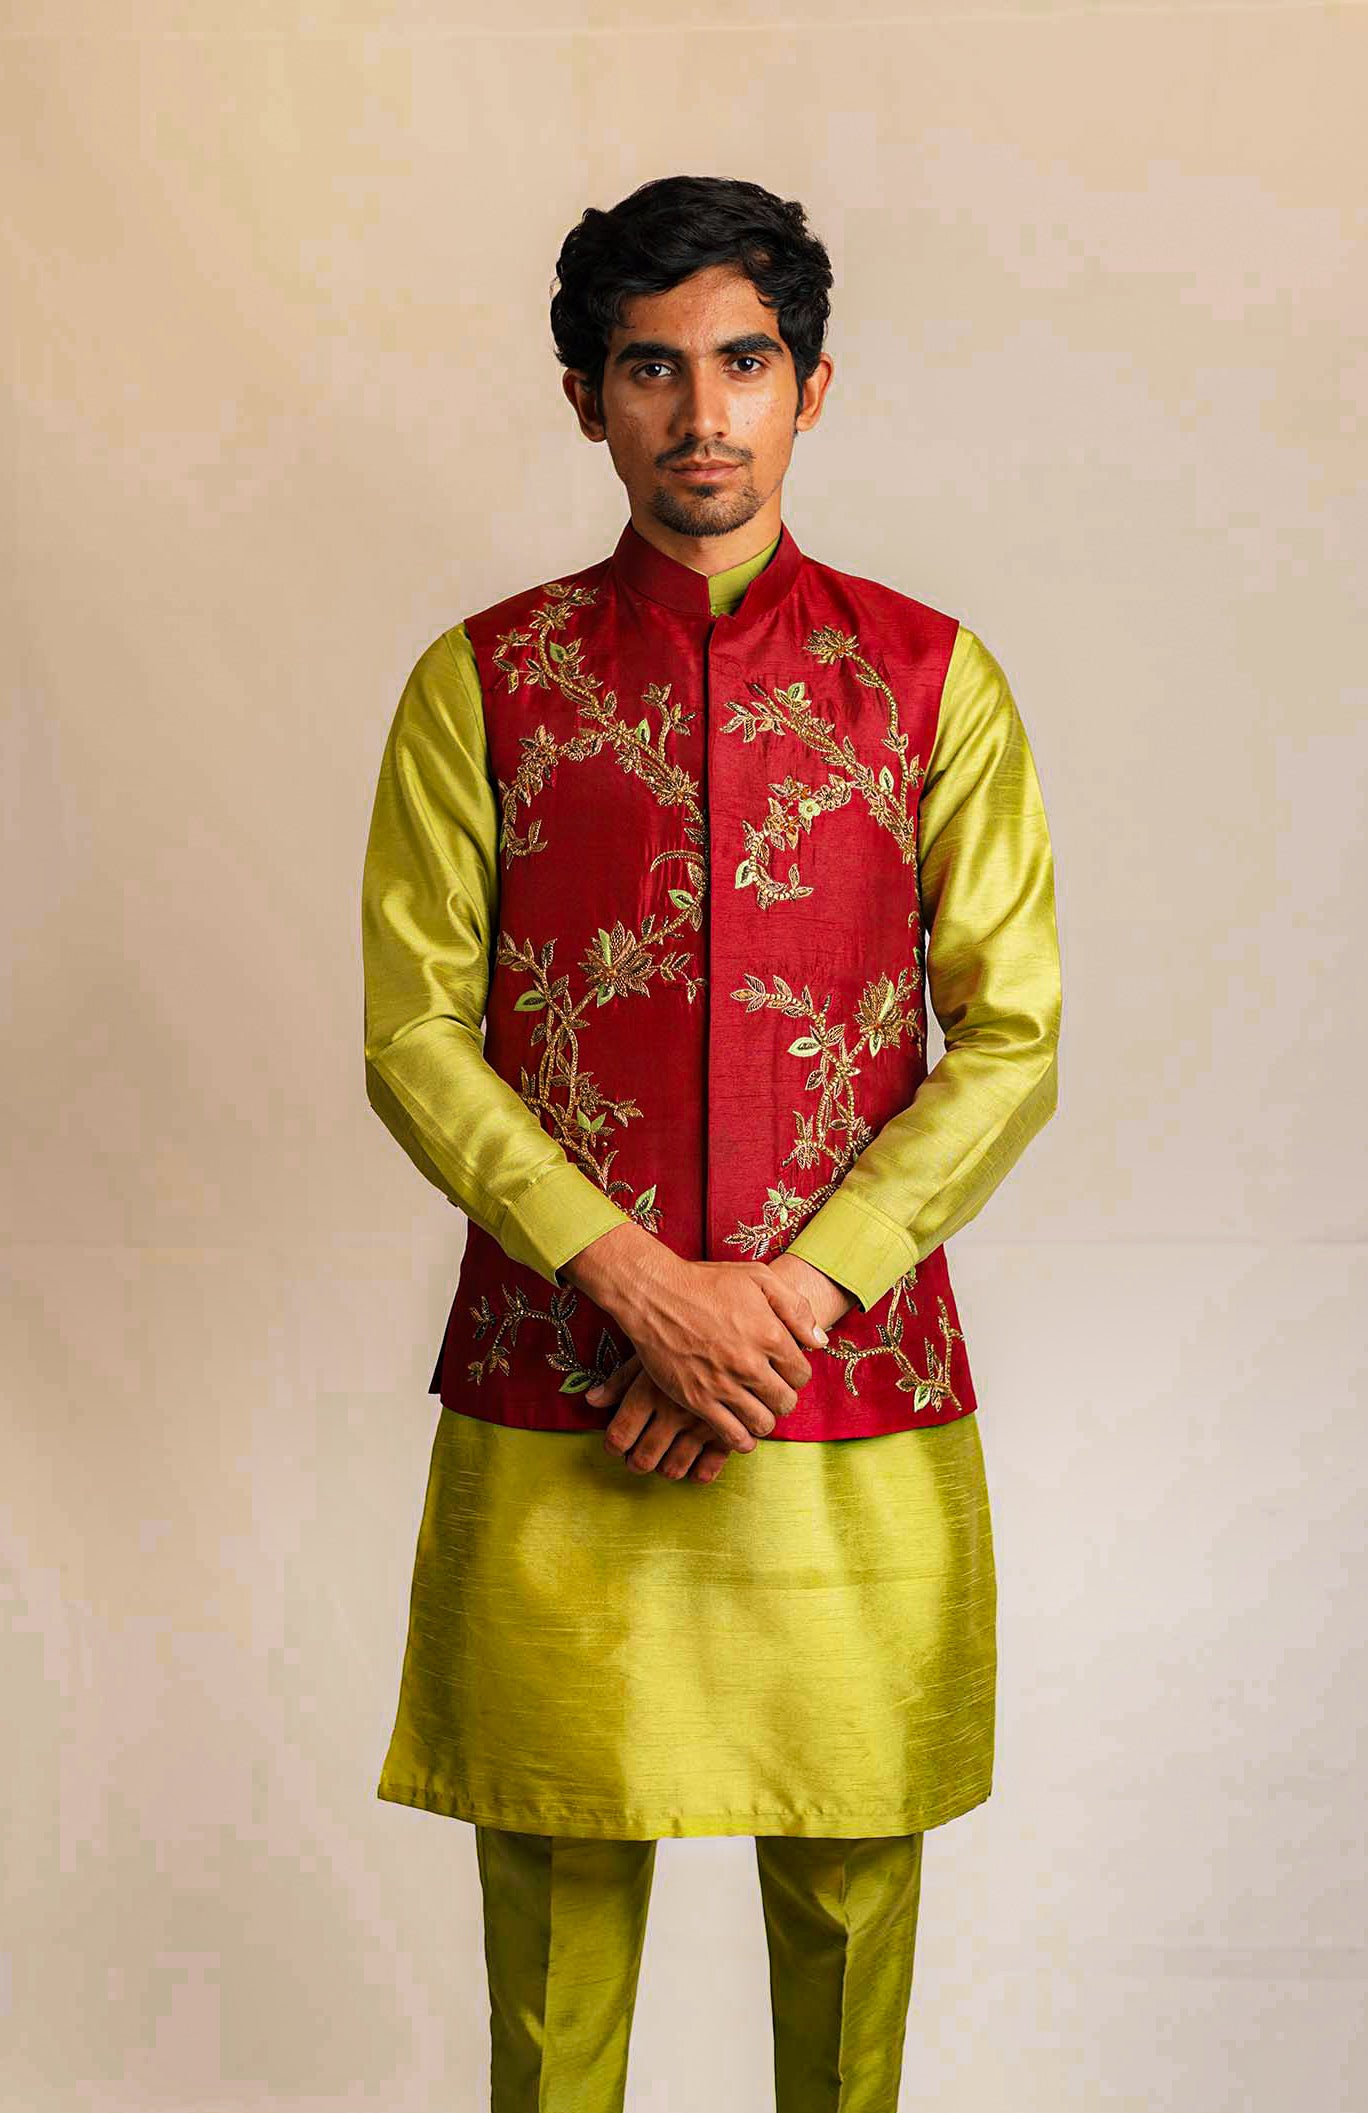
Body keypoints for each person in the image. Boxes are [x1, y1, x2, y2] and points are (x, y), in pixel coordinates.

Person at [361, 174, 1062, 2113]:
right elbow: (413, 1033)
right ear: (586, 399)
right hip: (565, 1390)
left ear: (811, 389)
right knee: (556, 1936)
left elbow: (1011, 1037)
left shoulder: (927, 679)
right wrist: (636, 1286)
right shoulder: (485, 682)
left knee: (848, 1901)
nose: (702, 411)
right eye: (651, 368)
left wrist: (785, 1301)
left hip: (842, 1401)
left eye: (743, 362)